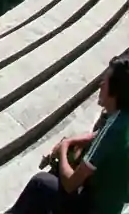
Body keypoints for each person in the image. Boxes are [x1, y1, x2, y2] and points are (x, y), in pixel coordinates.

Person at [9, 55, 129, 213]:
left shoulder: (113, 129)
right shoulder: (122, 117)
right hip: (111, 202)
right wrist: (71, 141)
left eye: (105, 83)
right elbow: (96, 136)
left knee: (40, 183)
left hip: (94, 207)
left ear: (114, 92)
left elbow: (71, 183)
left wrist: (63, 147)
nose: (100, 84)